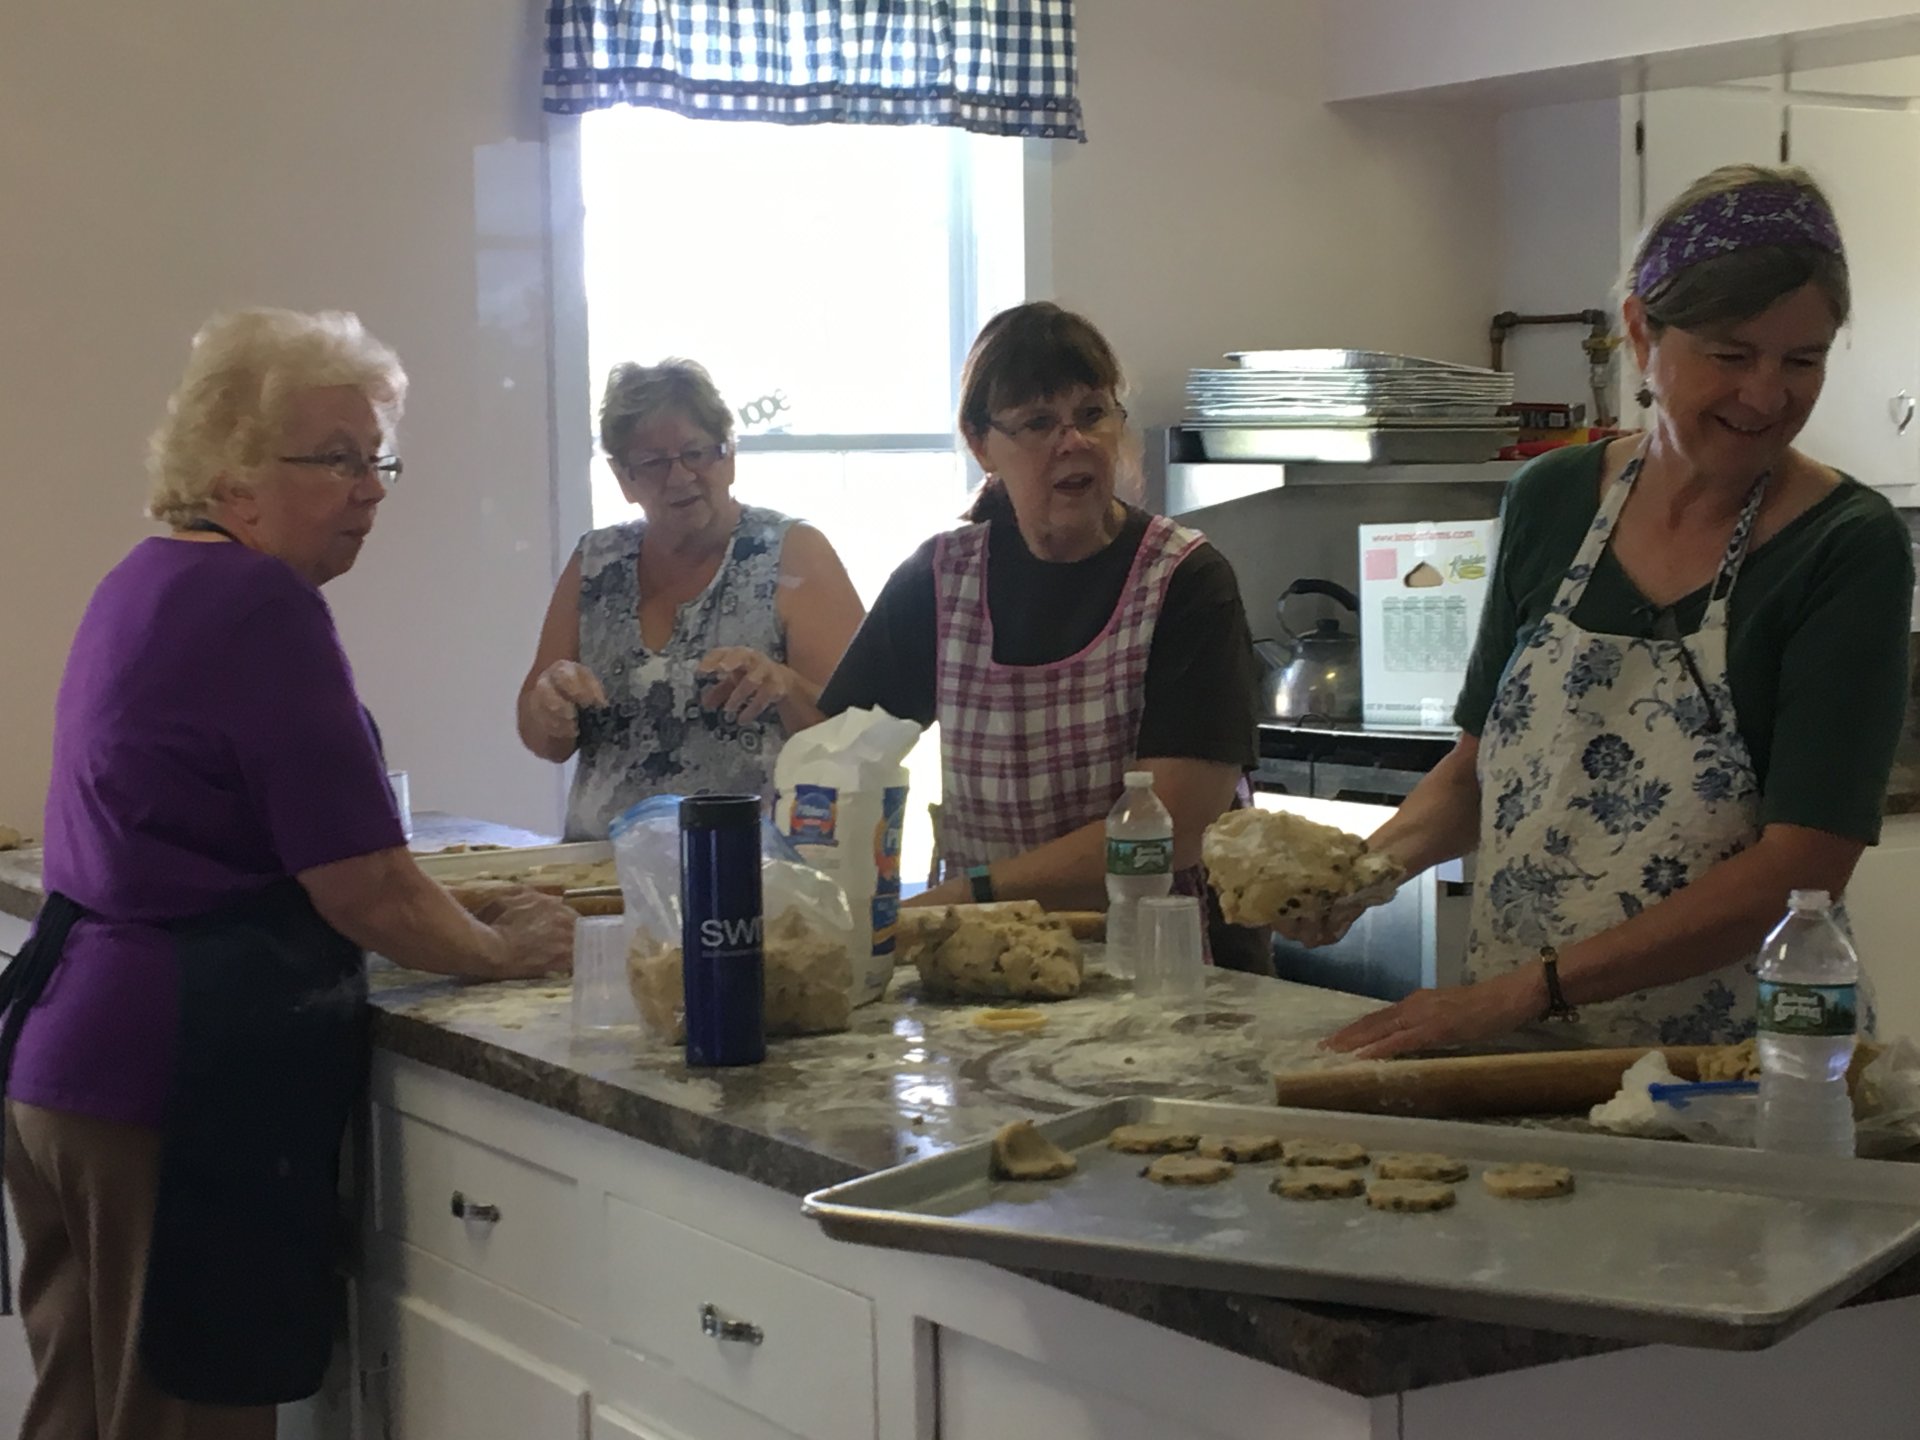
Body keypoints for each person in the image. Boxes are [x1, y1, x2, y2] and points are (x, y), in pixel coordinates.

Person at [1, 308, 576, 1440]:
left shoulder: (148, 578)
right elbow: (365, 888)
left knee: (84, 1410)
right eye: (336, 459)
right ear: (233, 473)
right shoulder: (259, 605)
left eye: (379, 459)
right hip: (170, 1080)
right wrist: (507, 948)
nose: (370, 488)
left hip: (67, 1061)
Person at [1314, 165, 1915, 1059]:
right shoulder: (1552, 500)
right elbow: (1478, 772)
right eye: (1731, 354)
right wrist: (1356, 877)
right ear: (1641, 331)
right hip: (1520, 1052)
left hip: (1737, 1068)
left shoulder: (1845, 547)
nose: (1766, 394)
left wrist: (1526, 994)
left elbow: (1802, 870)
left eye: (1803, 360)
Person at [818, 302, 1261, 950]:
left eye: (1092, 415)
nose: (1074, 441)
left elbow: (1177, 826)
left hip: (1167, 964)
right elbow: (838, 753)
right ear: (980, 444)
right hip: (987, 964)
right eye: (1038, 423)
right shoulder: (940, 581)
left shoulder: (1184, 581)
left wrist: (973, 895)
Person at [519, 359, 865, 838]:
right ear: (623, 477)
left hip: (753, 868)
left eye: (696, 453)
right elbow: (542, 737)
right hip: (601, 870)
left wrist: (783, 685)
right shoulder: (595, 562)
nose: (679, 477)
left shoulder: (792, 552)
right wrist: (548, 708)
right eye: (654, 463)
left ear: (729, 456)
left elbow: (860, 732)